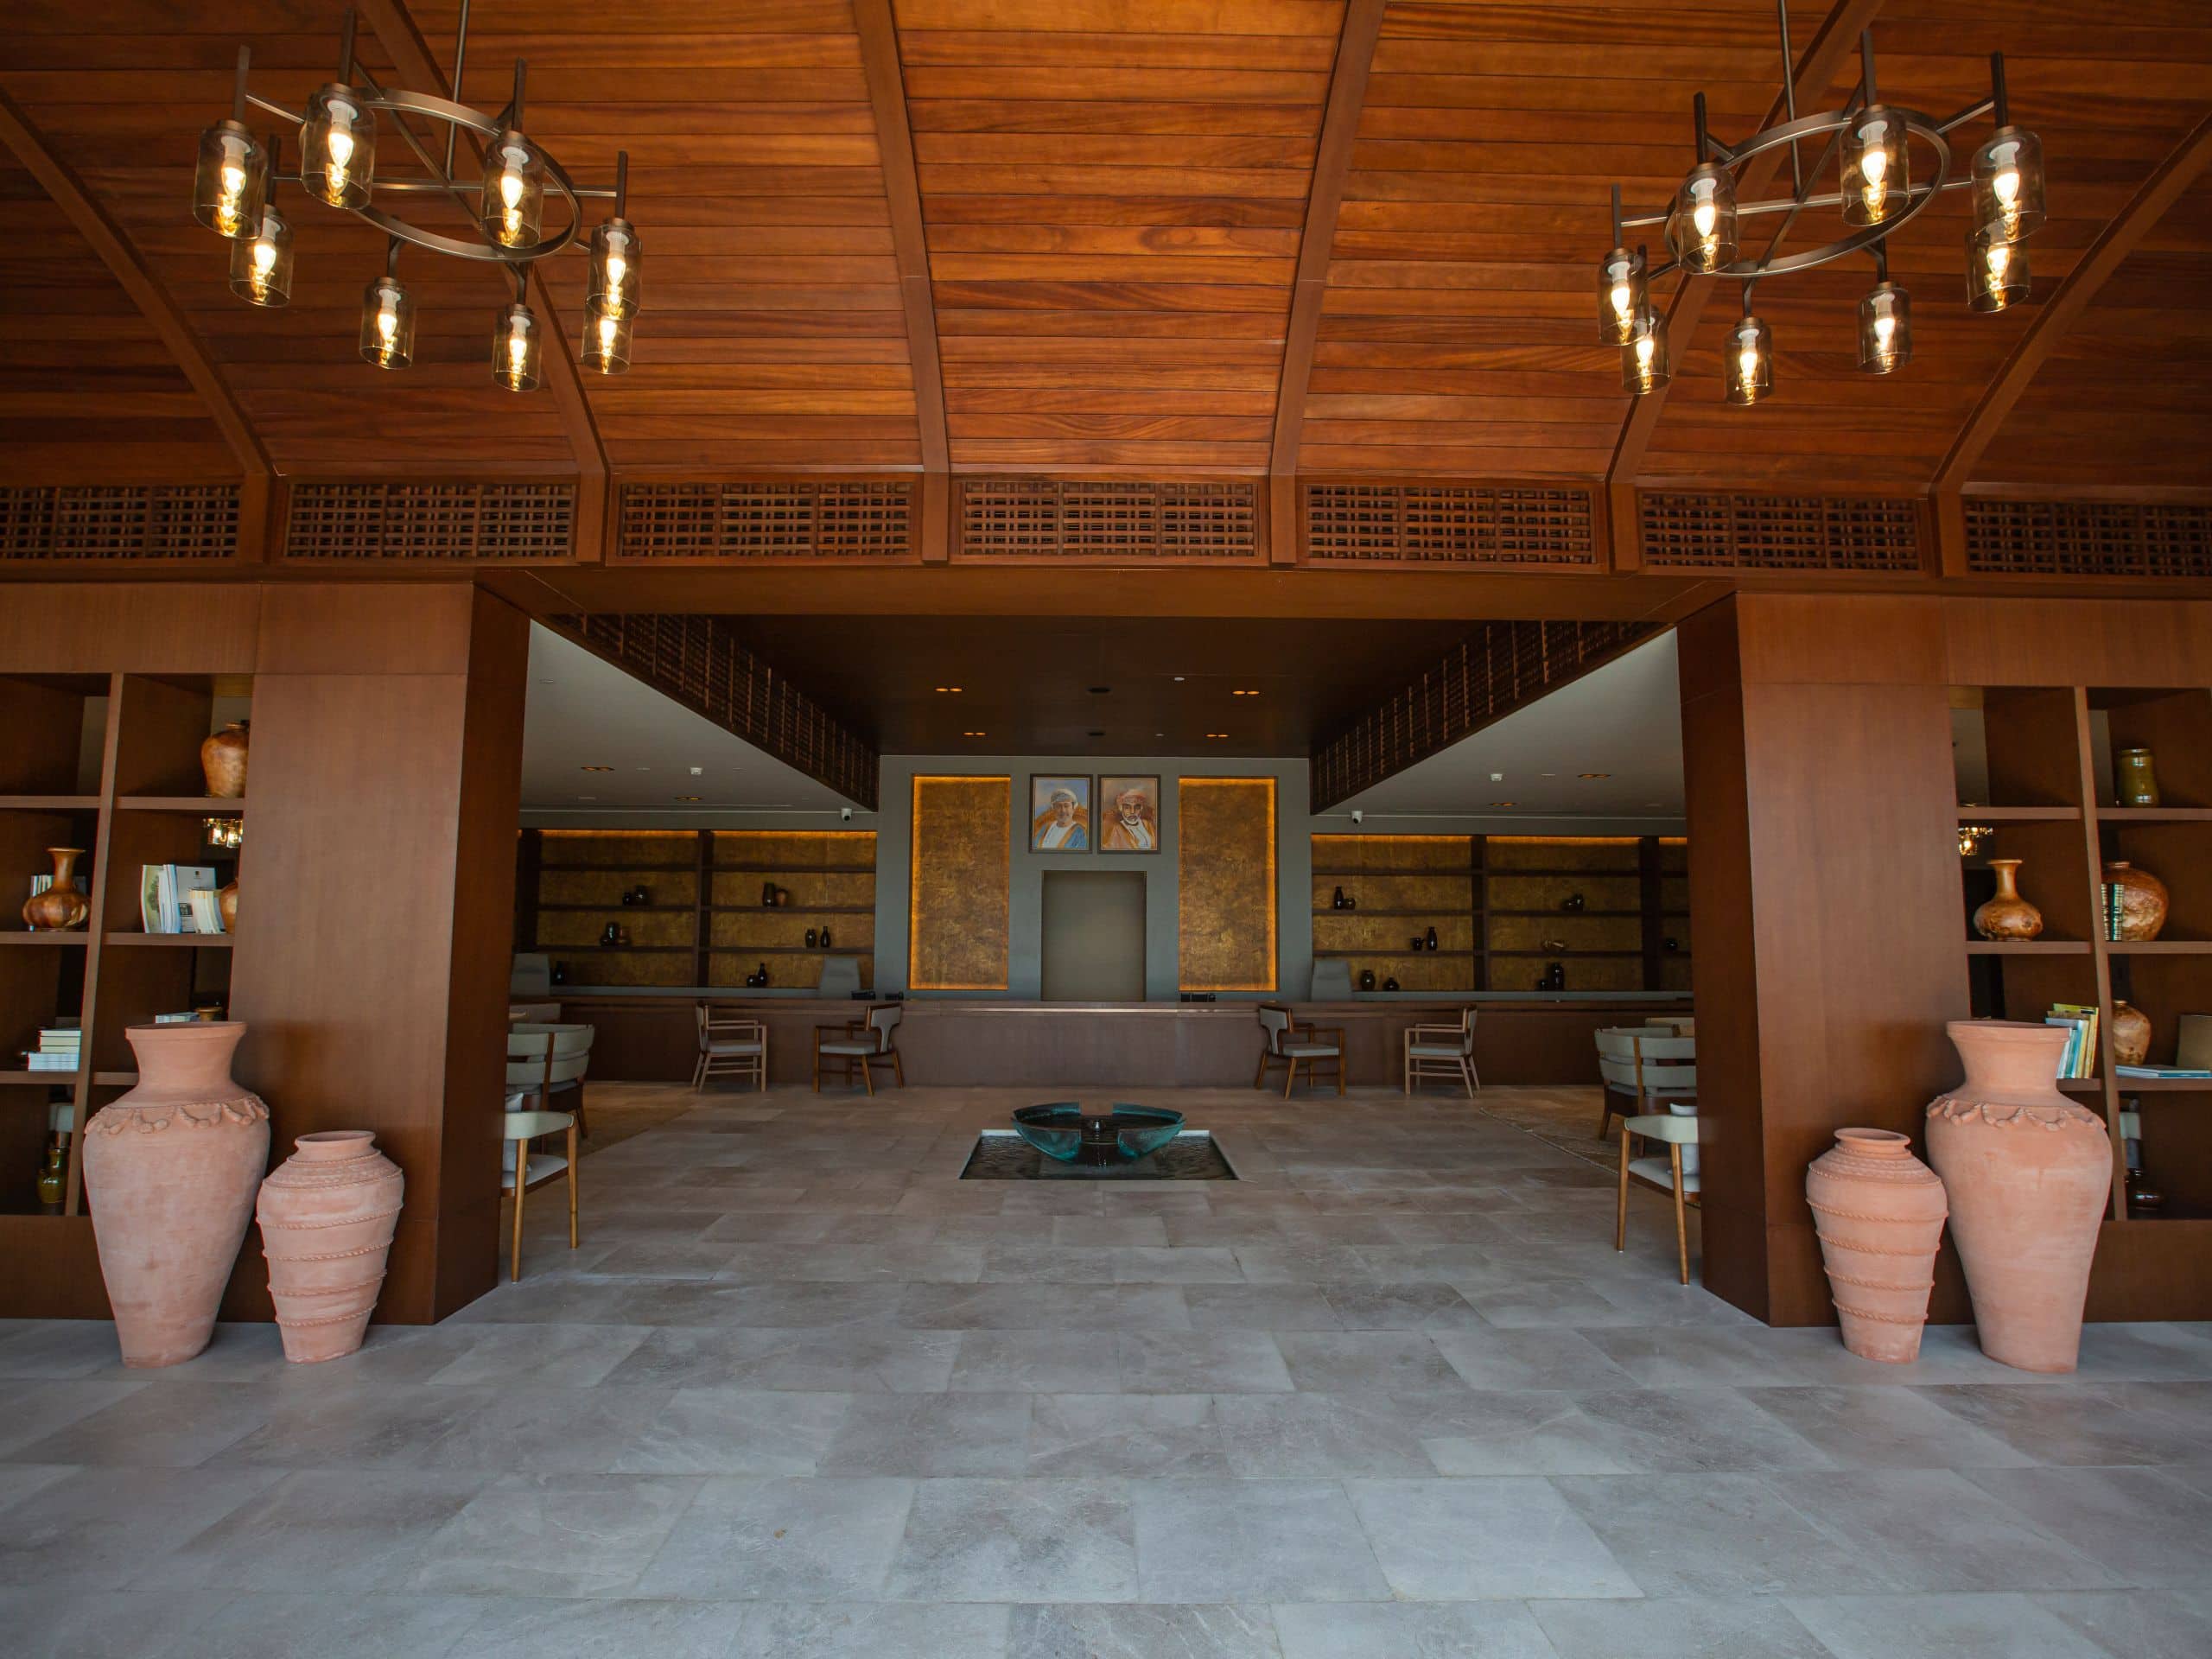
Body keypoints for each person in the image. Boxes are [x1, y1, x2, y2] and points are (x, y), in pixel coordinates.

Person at [1100, 784, 1158, 851]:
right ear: (1121, 808)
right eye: (1127, 808)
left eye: (1136, 807)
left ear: (1141, 808)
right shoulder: (1117, 829)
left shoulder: (1148, 824)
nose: (1132, 812)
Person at [1032, 785, 1088, 850]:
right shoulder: (1045, 828)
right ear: (1053, 809)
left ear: (1073, 808)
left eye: (1066, 806)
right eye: (1058, 806)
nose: (1062, 810)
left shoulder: (1079, 832)